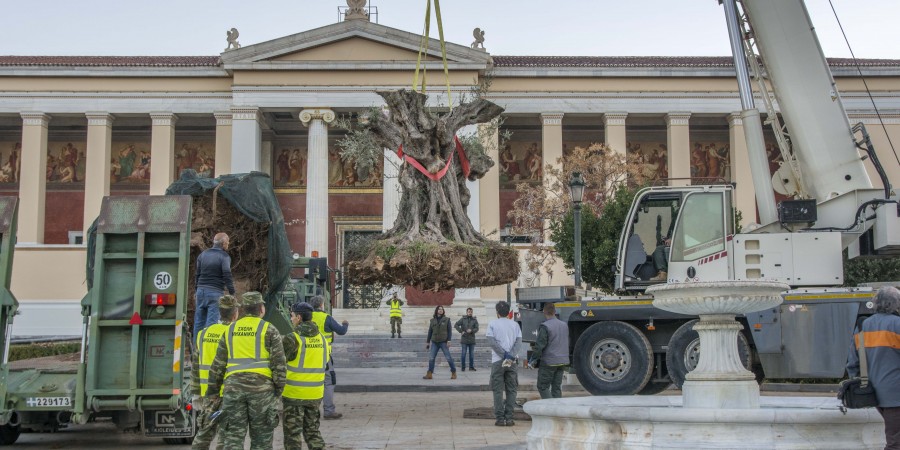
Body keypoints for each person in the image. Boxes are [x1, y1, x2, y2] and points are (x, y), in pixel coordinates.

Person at [206, 292, 286, 450]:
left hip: (233, 390)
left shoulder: (230, 330)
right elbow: (279, 364)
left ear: (242, 309)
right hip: (262, 391)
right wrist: (278, 390)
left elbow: (218, 365)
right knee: (261, 440)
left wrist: (213, 392)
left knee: (233, 438)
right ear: (261, 309)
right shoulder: (269, 329)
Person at [846, 286, 900, 450]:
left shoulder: (863, 326)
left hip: (874, 393)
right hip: (896, 394)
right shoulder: (897, 325)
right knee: (895, 442)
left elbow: (852, 363)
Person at [190, 294, 240, 450]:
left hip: (208, 394)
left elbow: (196, 366)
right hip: (229, 394)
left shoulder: (203, 334)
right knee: (226, 436)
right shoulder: (235, 334)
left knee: (204, 433)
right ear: (235, 313)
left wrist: (195, 392)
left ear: (219, 312)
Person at [281, 302, 330, 450]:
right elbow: (325, 361)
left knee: (292, 435)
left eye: (292, 316)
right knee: (312, 432)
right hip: (315, 394)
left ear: (299, 317)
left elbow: (280, 360)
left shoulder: (292, 338)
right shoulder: (322, 339)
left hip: (294, 394)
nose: (291, 319)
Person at [310, 295, 349, 420]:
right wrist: (345, 324)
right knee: (328, 382)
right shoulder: (326, 318)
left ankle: (310, 411)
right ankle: (328, 410)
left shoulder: (306, 317)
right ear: (322, 305)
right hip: (323, 356)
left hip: (308, 356)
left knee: (310, 382)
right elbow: (341, 331)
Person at [486, 301, 522, 427]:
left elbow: (492, 342)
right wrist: (510, 355)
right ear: (508, 312)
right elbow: (518, 342)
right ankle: (510, 418)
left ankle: (500, 419)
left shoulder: (492, 324)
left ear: (497, 312)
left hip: (497, 361)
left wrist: (503, 354)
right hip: (512, 361)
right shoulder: (515, 325)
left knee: (498, 390)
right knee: (512, 390)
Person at [194, 233, 236, 331]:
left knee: (199, 322)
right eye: (228, 242)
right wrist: (232, 292)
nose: (228, 244)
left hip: (200, 291)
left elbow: (197, 274)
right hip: (214, 292)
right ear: (224, 243)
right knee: (212, 324)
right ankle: (210, 346)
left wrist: (197, 290)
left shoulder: (202, 254)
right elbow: (227, 274)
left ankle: (197, 345)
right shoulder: (224, 256)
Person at [529, 303, 570, 399]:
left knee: (542, 387)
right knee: (556, 388)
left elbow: (539, 346)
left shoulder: (545, 326)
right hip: (562, 361)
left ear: (544, 312)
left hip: (549, 362)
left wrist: (533, 360)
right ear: (555, 312)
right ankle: (558, 411)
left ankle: (550, 409)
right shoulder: (564, 325)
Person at [423, 305, 457, 380]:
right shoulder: (432, 320)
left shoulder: (447, 319)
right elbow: (430, 331)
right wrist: (428, 342)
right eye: (439, 309)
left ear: (443, 311)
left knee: (448, 358)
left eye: (442, 309)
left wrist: (449, 340)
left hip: (443, 342)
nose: (440, 310)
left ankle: (453, 372)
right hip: (435, 342)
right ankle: (429, 374)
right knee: (431, 358)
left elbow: (449, 331)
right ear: (436, 311)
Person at [455, 307, 479, 372]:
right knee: (463, 354)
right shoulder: (463, 319)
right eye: (469, 312)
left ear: (472, 312)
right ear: (467, 312)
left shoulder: (474, 320)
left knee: (471, 355)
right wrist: (461, 331)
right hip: (464, 339)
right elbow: (456, 325)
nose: (470, 313)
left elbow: (477, 328)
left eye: (471, 312)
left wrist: (471, 330)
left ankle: (471, 367)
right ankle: (463, 367)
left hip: (471, 339)